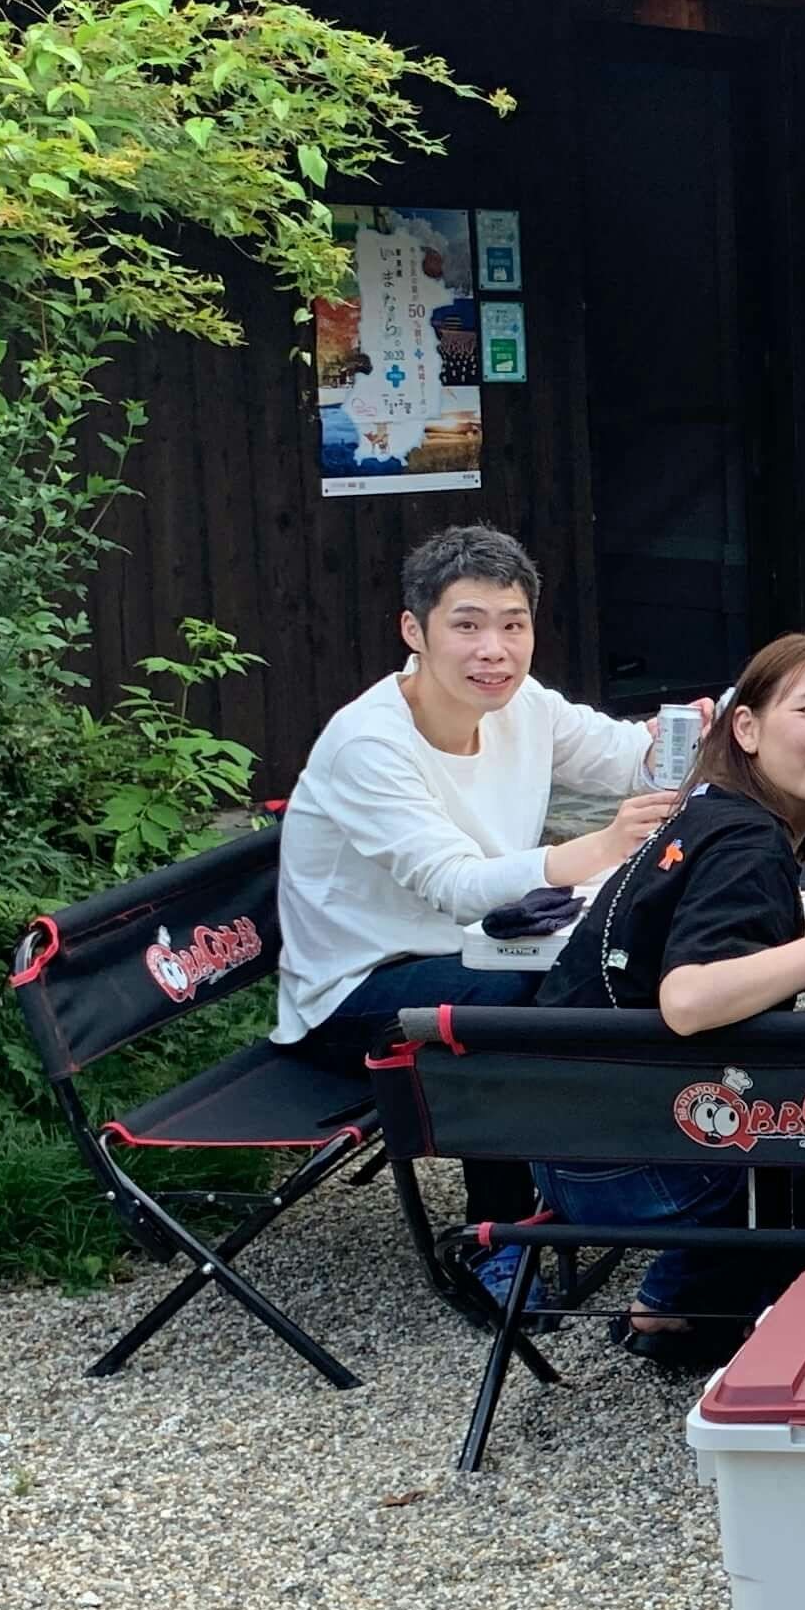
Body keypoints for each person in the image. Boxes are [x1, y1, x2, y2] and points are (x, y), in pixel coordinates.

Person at [479, 632, 805, 1368]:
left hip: (564, 1142)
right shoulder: (748, 842)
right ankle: (700, 1313)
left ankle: (678, 1301)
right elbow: (688, 999)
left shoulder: (706, 812)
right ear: (745, 728)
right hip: (634, 1165)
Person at [273, 523, 678, 1249]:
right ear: (415, 631)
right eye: (467, 625)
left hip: (480, 952)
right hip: (356, 992)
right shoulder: (369, 743)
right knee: (517, 1003)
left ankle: (630, 1184)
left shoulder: (523, 705)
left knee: (620, 965)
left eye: (513, 625)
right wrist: (601, 847)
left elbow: (628, 758)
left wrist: (689, 735)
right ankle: (503, 1236)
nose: (494, 649)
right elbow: (457, 885)